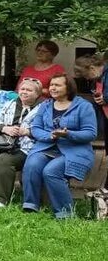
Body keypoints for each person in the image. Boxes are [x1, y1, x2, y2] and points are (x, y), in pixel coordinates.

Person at [22, 73, 97, 219]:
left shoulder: (84, 106)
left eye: (57, 85)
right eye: (51, 85)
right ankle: (30, 206)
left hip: (75, 150)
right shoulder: (45, 105)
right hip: (46, 146)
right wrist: (50, 136)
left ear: (68, 87)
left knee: (51, 171)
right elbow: (36, 128)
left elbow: (90, 133)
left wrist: (68, 134)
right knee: (32, 165)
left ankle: (65, 214)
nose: (52, 88)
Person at [0, 78, 42, 208]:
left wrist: (27, 131)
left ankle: (1, 200)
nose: (24, 92)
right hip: (3, 143)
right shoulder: (11, 103)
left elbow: (45, 129)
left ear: (37, 94)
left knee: (4, 160)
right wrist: (4, 128)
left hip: (26, 147)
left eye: (29, 90)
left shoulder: (42, 108)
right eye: (22, 89)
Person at [77, 54, 108, 205]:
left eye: (86, 74)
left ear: (92, 68)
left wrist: (105, 98)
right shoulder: (98, 79)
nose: (87, 78)